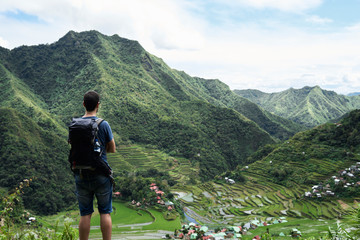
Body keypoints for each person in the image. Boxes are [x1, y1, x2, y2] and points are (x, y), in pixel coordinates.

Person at [74, 90, 116, 240]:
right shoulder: (103, 124)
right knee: (105, 212)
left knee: (85, 214)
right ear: (98, 105)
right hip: (100, 174)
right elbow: (112, 149)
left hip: (81, 173)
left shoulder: (75, 125)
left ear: (84, 104)